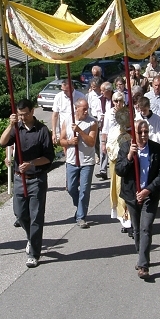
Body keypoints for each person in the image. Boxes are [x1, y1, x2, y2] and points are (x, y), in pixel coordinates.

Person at [0, 98, 55, 268]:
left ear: (32, 112)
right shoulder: (17, 128)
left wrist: (31, 163)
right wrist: (10, 125)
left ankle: (34, 254)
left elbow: (49, 158)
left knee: (36, 217)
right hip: (19, 178)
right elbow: (2, 142)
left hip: (36, 179)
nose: (22, 117)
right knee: (20, 213)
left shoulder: (42, 130)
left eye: (25, 114)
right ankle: (31, 237)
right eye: (20, 115)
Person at [115, 119, 160, 279]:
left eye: (146, 132)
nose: (144, 135)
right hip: (131, 195)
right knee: (136, 229)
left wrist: (148, 190)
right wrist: (130, 156)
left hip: (149, 196)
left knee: (146, 228)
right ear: (134, 134)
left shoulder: (156, 149)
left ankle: (143, 265)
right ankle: (141, 255)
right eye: (140, 132)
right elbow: (119, 170)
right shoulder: (125, 148)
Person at [60, 98, 98, 228]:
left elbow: (92, 142)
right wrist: (70, 142)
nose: (87, 111)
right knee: (71, 188)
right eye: (84, 109)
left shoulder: (92, 122)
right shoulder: (67, 120)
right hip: (72, 161)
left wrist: (80, 131)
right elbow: (61, 140)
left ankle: (81, 217)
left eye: (87, 109)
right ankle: (79, 206)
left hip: (87, 161)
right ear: (76, 109)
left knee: (84, 190)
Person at [51, 79, 85, 144]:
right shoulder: (58, 97)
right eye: (62, 90)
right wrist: (54, 133)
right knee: (66, 150)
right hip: (64, 130)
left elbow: (85, 113)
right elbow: (55, 115)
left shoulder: (81, 96)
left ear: (72, 88)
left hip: (78, 128)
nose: (64, 92)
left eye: (66, 90)